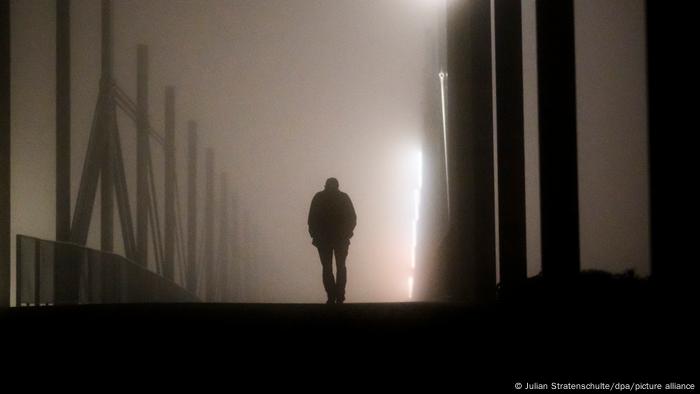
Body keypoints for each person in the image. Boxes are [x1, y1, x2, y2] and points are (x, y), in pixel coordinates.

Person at [307, 177, 356, 304]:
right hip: (340, 239)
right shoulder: (343, 198)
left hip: (324, 240)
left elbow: (311, 219)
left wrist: (315, 236)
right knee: (340, 267)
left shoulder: (319, 198)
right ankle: (339, 296)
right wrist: (347, 234)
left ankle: (331, 296)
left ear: (325, 185)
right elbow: (352, 218)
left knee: (327, 268)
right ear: (337, 186)